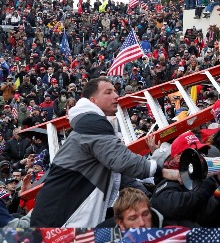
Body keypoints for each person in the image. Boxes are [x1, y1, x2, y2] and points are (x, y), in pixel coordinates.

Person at [30, 77, 160, 227]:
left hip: (55, 215)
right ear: (93, 100)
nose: (116, 95)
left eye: (116, 91)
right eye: (108, 92)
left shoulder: (88, 123)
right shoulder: (93, 123)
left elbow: (120, 174)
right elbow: (122, 161)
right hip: (61, 219)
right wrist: (160, 169)